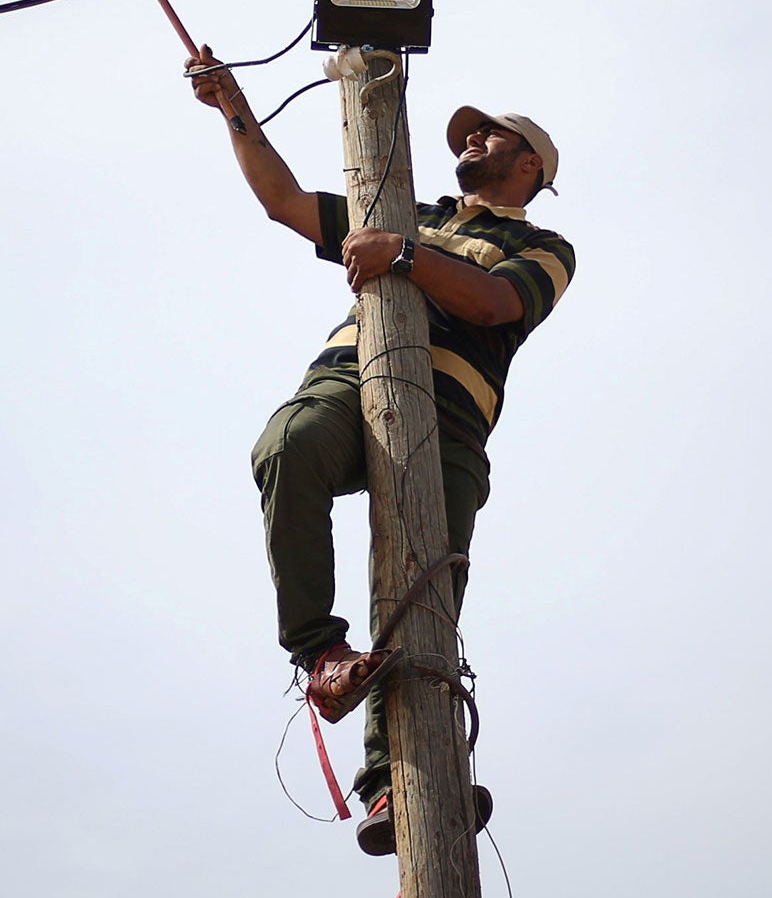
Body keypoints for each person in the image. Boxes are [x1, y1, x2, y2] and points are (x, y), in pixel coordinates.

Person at [188, 45, 576, 854]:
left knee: (421, 586)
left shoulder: (544, 247)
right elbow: (287, 202)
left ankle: (391, 780)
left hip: (453, 418)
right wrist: (234, 111)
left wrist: (402, 256)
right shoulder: (401, 202)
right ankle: (320, 653)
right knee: (289, 444)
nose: (468, 142)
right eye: (467, 136)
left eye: (489, 137)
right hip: (352, 375)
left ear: (529, 162)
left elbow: (498, 302)